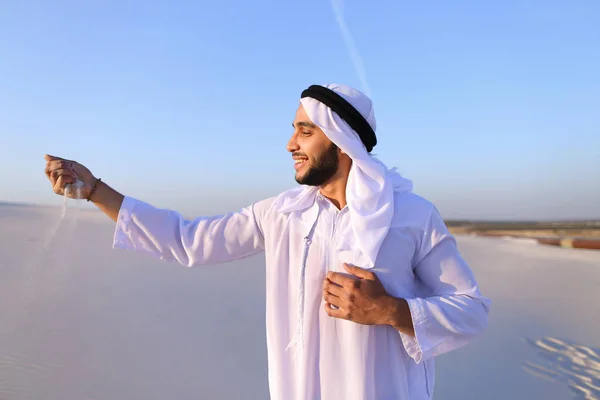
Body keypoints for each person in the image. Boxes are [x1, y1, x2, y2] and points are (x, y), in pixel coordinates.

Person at [44, 83, 491, 400]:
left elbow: (471, 310)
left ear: (340, 140)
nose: (289, 143)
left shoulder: (412, 215)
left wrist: (390, 310)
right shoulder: (282, 213)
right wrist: (95, 189)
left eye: (304, 130)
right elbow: (187, 241)